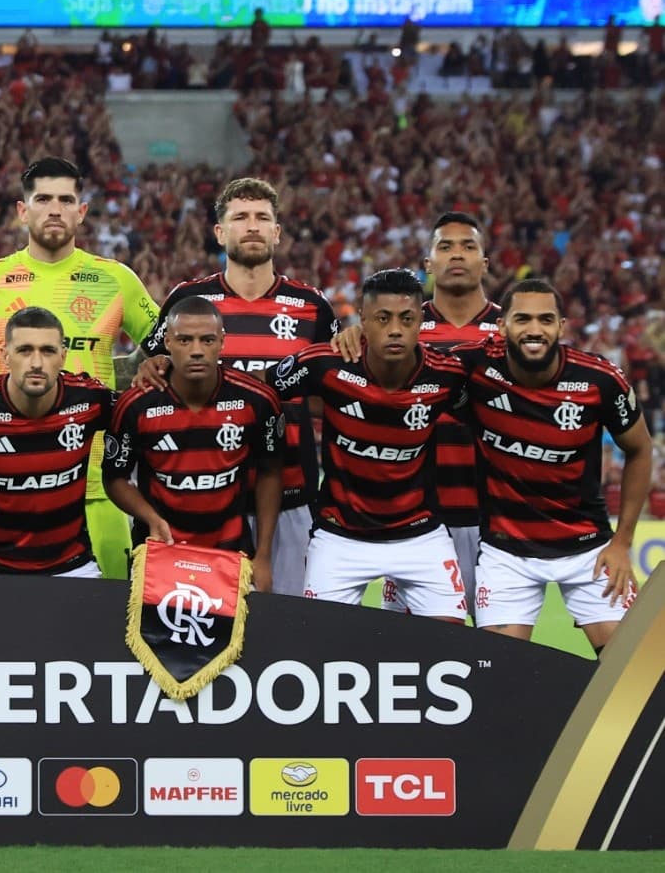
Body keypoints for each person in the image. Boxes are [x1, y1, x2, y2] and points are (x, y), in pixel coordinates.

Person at [0, 157, 160, 579]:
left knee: (104, 627)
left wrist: (127, 377)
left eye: (66, 199)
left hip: (100, 486)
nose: (54, 209)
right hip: (7, 485)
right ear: (24, 211)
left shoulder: (116, 280)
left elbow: (162, 351)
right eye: (43, 199)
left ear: (82, 211)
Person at [137, 177, 338, 597]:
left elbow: (333, 395)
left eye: (262, 218)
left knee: (289, 621)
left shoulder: (312, 306)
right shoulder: (188, 300)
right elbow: (151, 373)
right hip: (199, 501)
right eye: (240, 217)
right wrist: (152, 365)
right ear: (220, 232)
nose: (252, 226)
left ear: (277, 232)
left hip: (291, 496)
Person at [262, 269, 470, 621]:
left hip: (420, 535)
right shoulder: (325, 363)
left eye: (407, 319)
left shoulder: (448, 376)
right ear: (363, 320)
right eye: (382, 318)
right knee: (322, 650)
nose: (394, 330)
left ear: (421, 320)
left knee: (450, 645)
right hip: (340, 537)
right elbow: (260, 387)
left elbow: (487, 414)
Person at [459, 279, 651, 652]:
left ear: (562, 326)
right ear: (502, 326)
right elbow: (409, 364)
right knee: (497, 676)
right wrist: (352, 337)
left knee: (633, 673)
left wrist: (622, 541)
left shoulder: (600, 380)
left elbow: (640, 450)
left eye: (546, 319)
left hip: (588, 551)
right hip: (506, 553)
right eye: (523, 319)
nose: (534, 329)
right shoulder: (474, 367)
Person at [334, 211, 500, 609]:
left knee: (502, 649)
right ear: (428, 264)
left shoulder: (511, 332)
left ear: (485, 263)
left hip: (494, 519)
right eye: (445, 247)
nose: (456, 255)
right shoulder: (395, 329)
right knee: (414, 648)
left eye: (468, 246)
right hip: (415, 522)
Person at [104, 297, 284, 589]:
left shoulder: (257, 400)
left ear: (222, 341)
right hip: (160, 551)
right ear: (167, 341)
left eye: (207, 340)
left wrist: (263, 556)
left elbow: (270, 473)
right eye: (185, 340)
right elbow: (114, 478)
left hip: (232, 552)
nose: (197, 351)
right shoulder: (136, 404)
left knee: (238, 636)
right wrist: (151, 518)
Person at [0, 306, 114, 577]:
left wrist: (161, 367)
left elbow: (145, 414)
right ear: (6, 356)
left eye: (48, 351)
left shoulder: (91, 399)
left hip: (72, 567)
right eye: (25, 350)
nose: (37, 363)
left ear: (63, 356)